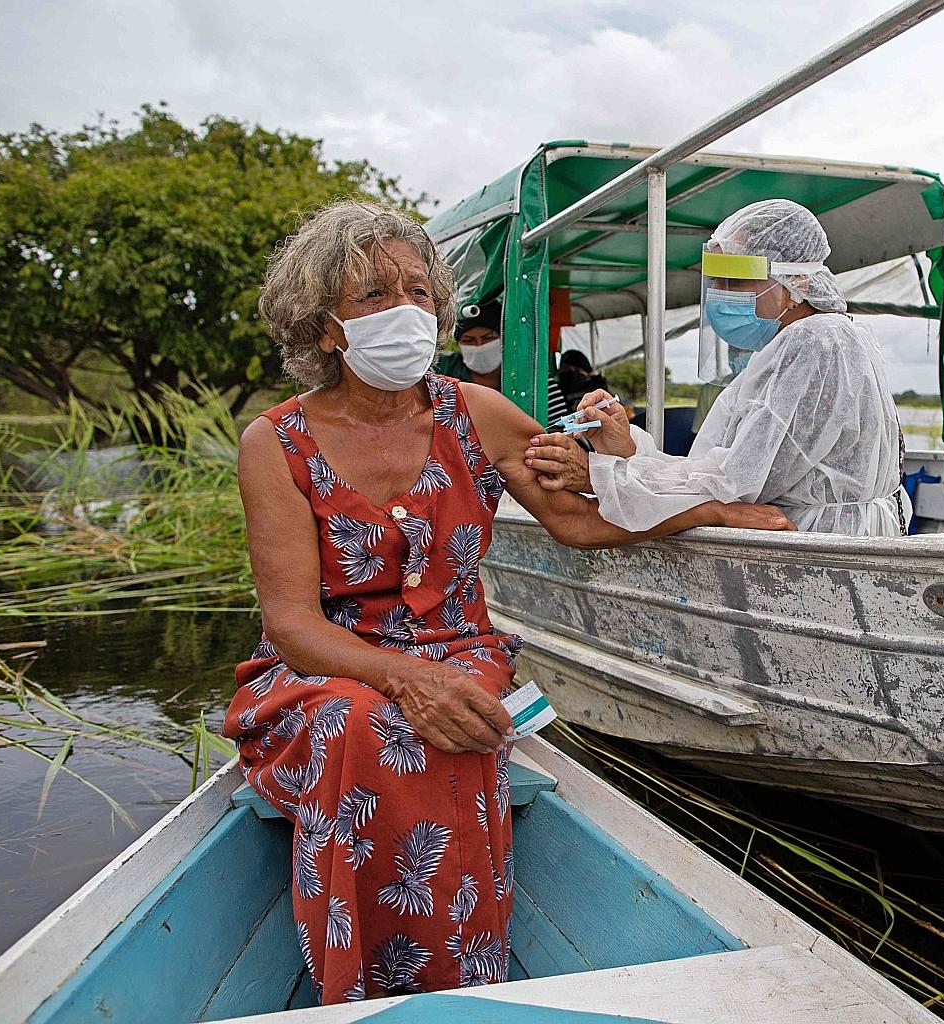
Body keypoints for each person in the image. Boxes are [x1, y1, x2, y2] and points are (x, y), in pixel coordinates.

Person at [225, 200, 792, 1005]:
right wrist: (401, 678)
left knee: (446, 723)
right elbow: (292, 624)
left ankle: (454, 983)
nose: (408, 312)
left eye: (419, 292)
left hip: (462, 652)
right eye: (374, 297)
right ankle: (362, 990)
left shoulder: (476, 413)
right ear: (324, 330)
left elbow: (577, 516)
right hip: (327, 664)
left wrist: (703, 509)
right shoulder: (274, 442)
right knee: (359, 725)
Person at [525, 199, 907, 536]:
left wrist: (597, 473)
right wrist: (626, 448)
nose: (722, 293)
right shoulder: (791, 346)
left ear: (797, 279)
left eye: (737, 280)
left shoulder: (815, 341)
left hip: (820, 543)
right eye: (718, 280)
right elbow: (714, 470)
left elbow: (734, 484)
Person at [434, 300, 570, 423]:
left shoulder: (531, 377)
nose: (479, 346)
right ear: (459, 344)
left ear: (503, 339)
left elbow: (557, 426)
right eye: (468, 341)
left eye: (488, 338)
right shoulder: (442, 370)